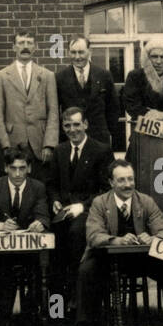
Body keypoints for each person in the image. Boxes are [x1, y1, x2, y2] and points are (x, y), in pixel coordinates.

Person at [76, 159, 163, 326]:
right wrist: (117, 240)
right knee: (87, 270)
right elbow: (93, 235)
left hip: (139, 259)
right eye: (121, 180)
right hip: (107, 258)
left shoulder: (146, 201)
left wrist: (154, 239)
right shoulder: (100, 203)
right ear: (111, 182)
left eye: (130, 179)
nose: (128, 185)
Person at [0, 148, 51, 326]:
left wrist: (40, 224)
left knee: (43, 267)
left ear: (29, 168)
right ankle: (2, 315)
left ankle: (31, 313)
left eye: (22, 168)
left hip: (29, 251)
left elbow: (44, 215)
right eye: (13, 168)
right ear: (5, 168)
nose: (17, 173)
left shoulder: (37, 187)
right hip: (1, 251)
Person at [45, 108, 115, 302]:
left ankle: (80, 304)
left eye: (76, 124)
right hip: (63, 213)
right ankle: (56, 310)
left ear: (85, 124)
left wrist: (82, 206)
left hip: (90, 213)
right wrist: (55, 200)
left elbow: (106, 190)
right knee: (51, 245)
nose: (72, 129)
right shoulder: (60, 151)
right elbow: (51, 184)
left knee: (77, 235)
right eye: (67, 125)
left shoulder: (101, 150)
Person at [0, 31, 60, 168]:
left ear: (36, 47)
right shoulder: (1, 76)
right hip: (13, 141)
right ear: (14, 47)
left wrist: (49, 144)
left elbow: (53, 112)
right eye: (21, 43)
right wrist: (5, 145)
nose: (25, 46)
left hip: (39, 142)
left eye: (29, 43)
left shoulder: (47, 75)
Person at [55, 36, 122, 149]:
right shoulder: (60, 78)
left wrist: (107, 132)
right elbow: (55, 111)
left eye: (81, 52)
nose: (77, 57)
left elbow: (114, 108)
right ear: (68, 53)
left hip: (99, 139)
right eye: (73, 52)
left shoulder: (104, 75)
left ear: (89, 52)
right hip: (71, 139)